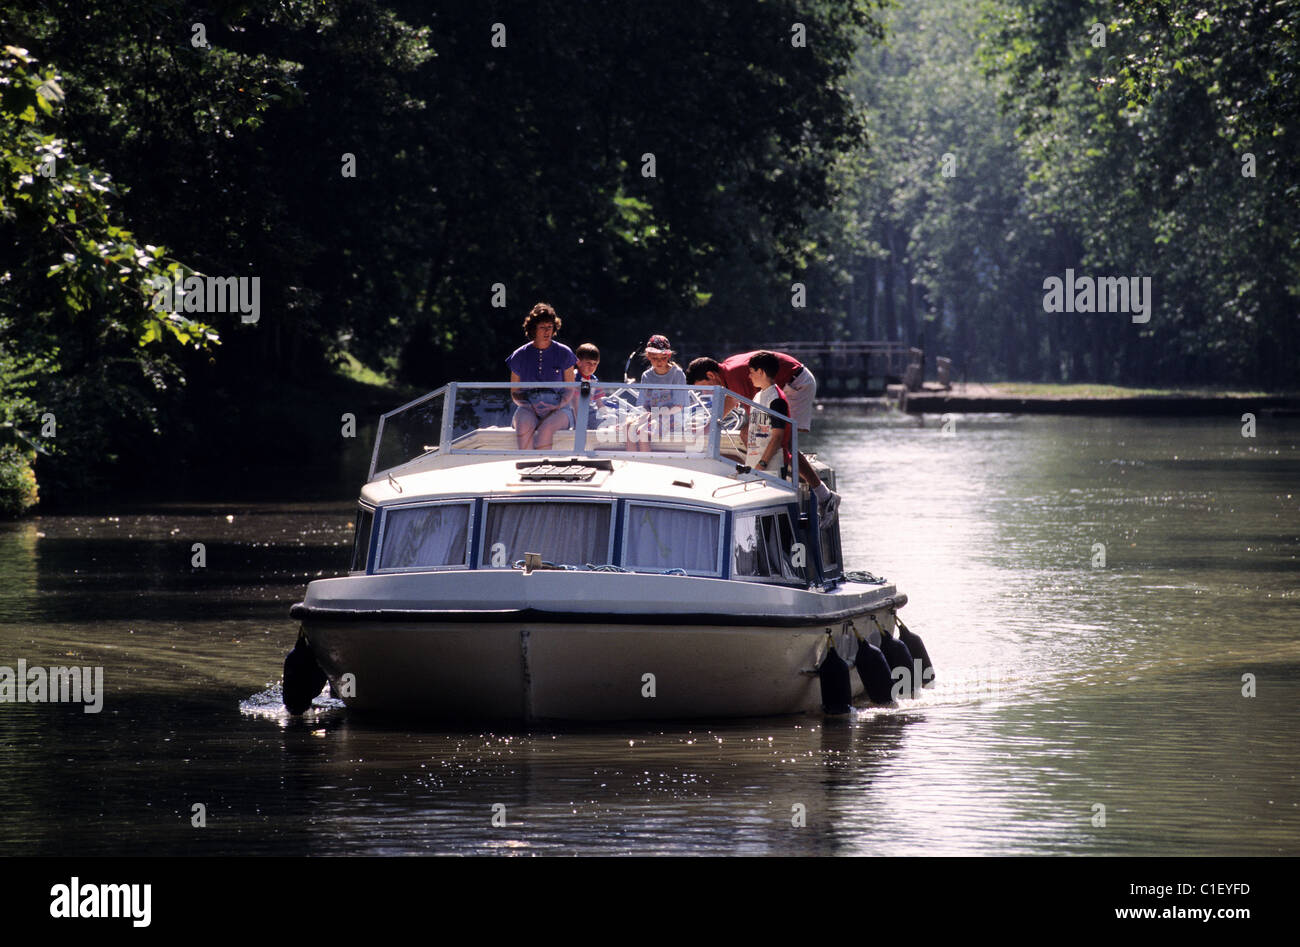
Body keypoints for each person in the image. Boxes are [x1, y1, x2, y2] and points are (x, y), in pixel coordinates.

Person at [686, 350, 840, 526]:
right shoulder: (727, 371)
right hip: (786, 382)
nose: (710, 393)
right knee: (755, 436)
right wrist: (709, 426)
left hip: (796, 383)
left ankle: (825, 496)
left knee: (783, 444)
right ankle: (774, 473)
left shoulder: (735, 376)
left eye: (707, 388)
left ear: (710, 375)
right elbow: (733, 399)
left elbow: (760, 417)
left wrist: (763, 459)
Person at [506, 302, 577, 450]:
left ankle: (543, 470)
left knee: (546, 429)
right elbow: (515, 393)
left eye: (550, 327)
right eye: (542, 327)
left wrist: (556, 405)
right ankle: (527, 467)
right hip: (528, 407)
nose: (547, 331)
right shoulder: (519, 355)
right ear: (533, 329)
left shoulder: (564, 353)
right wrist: (530, 406)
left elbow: (570, 389)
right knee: (524, 425)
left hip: (559, 409)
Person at [628, 334, 688, 451]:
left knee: (642, 432)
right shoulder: (646, 375)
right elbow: (643, 404)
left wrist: (656, 415)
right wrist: (645, 415)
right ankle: (632, 463)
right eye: (655, 358)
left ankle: (647, 464)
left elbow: (679, 406)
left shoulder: (677, 374)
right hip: (653, 416)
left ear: (669, 355)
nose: (659, 362)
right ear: (649, 356)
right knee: (629, 426)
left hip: (673, 418)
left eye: (663, 358)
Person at [744, 351, 791, 474]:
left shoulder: (776, 399)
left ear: (761, 372)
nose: (749, 376)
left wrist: (762, 464)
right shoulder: (757, 396)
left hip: (772, 466)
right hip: (754, 462)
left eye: (751, 372)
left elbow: (777, 436)